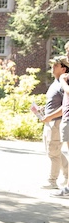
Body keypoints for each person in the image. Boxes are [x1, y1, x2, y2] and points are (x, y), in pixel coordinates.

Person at [40, 56, 69, 190]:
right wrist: (43, 109)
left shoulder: (64, 85)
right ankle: (67, 173)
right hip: (50, 121)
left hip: (56, 123)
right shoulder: (56, 82)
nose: (53, 67)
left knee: (53, 152)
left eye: (56, 65)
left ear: (63, 68)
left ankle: (52, 181)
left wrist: (50, 116)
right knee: (52, 151)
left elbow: (65, 107)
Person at [50, 56, 69, 198]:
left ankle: (59, 183)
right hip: (62, 119)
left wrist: (63, 81)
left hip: (62, 119)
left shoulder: (64, 80)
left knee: (56, 151)